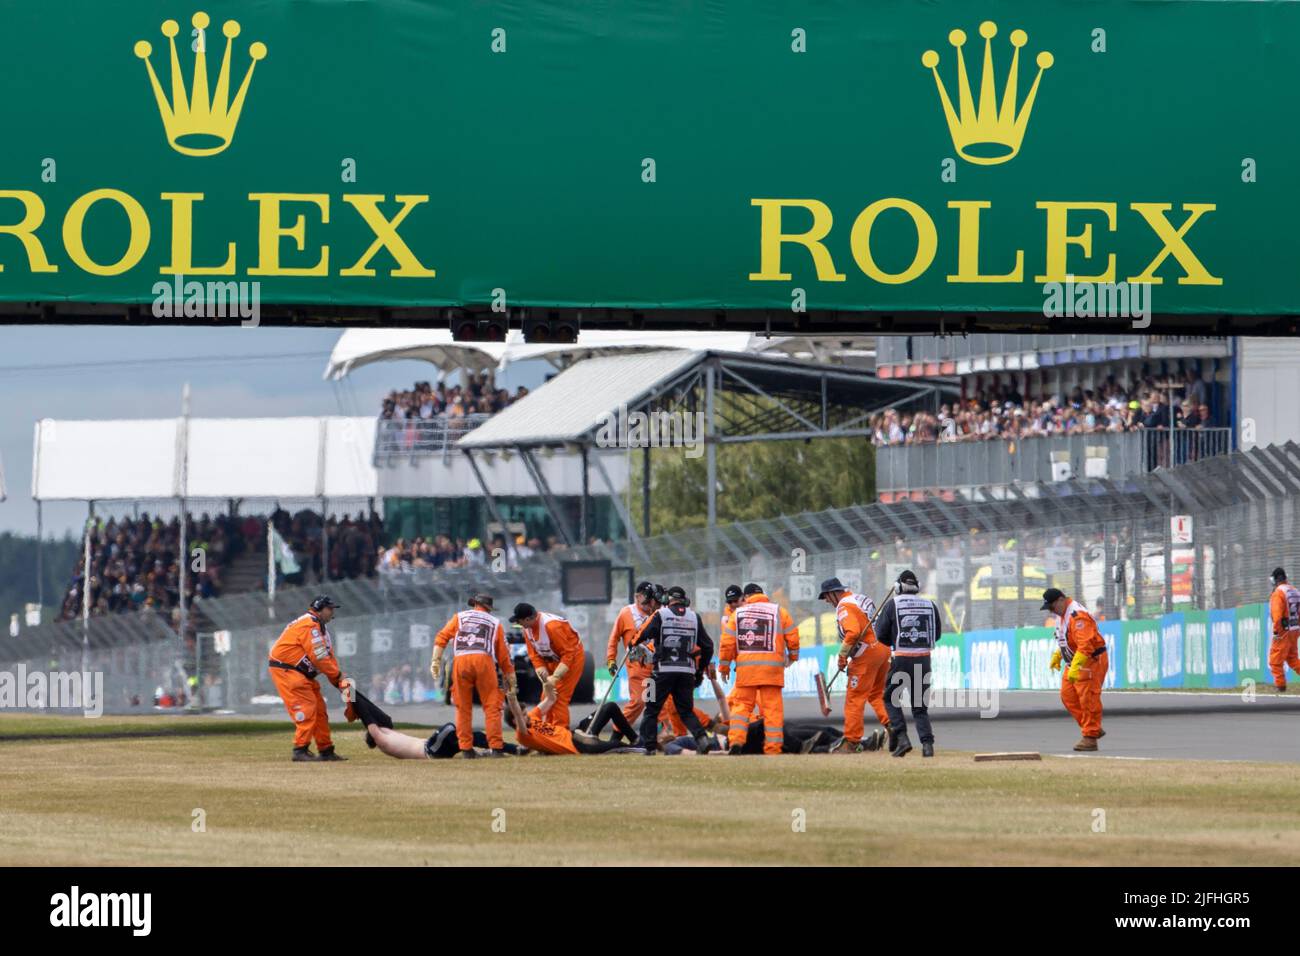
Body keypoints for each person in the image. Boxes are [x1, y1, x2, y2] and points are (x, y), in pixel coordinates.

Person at [267, 595, 354, 762]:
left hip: (300, 672)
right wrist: (336, 676)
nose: (332, 612)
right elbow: (319, 657)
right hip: (288, 670)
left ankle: (326, 749)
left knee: (320, 709)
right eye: (330, 609)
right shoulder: (310, 625)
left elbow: (328, 659)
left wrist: (339, 680)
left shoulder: (320, 629)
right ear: (320, 609)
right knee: (308, 706)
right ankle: (300, 749)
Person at [430, 593, 516, 758]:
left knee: (463, 707)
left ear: (474, 605)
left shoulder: (459, 617)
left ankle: (466, 749)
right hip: (484, 660)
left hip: (461, 660)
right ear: (489, 608)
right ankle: (496, 748)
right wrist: (510, 677)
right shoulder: (495, 622)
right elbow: (504, 654)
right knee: (492, 706)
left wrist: (435, 661)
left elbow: (442, 638)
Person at [632, 586, 715, 754]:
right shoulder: (694, 617)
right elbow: (708, 646)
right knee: (685, 711)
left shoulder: (660, 615)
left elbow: (642, 634)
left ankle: (649, 748)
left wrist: (633, 644)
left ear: (667, 600)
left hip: (662, 671)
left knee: (651, 708)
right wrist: (699, 671)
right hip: (686, 672)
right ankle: (702, 738)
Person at [719, 583, 799, 755]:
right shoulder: (779, 611)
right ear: (763, 594)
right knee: (772, 710)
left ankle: (736, 742)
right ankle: (773, 748)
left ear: (745, 597)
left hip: (746, 672)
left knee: (741, 708)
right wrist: (792, 657)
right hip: (772, 672)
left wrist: (724, 667)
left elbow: (727, 644)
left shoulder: (737, 615)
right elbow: (793, 636)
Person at [818, 576, 891, 755]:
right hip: (883, 649)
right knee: (876, 694)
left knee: (854, 698)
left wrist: (842, 656)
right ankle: (895, 728)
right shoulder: (860, 598)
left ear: (835, 593)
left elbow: (853, 632)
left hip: (867, 654)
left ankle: (851, 742)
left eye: (827, 596)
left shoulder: (844, 606)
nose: (826, 601)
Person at [875, 571, 941, 758]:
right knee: (920, 706)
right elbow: (936, 635)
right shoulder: (930, 604)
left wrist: (894, 642)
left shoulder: (892, 604)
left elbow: (880, 634)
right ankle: (927, 746)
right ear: (916, 587)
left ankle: (902, 738)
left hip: (901, 659)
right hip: (924, 659)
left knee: (890, 699)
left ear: (897, 587)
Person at [1042, 587, 1108, 751]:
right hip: (1074, 661)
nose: (1051, 611)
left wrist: (1076, 666)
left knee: (1088, 698)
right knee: (1068, 696)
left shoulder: (1077, 615)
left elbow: (1085, 646)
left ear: (1060, 601)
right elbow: (1067, 639)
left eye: (1051, 607)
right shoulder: (1061, 615)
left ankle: (1090, 737)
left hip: (1089, 661)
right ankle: (1093, 727)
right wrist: (1059, 654)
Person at [505, 682, 645, 755]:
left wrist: (546, 684)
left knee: (610, 707)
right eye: (522, 715)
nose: (526, 715)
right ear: (515, 721)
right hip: (578, 747)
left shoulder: (531, 716)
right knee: (616, 746)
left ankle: (635, 739)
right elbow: (517, 714)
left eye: (525, 712)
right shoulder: (522, 734)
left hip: (577, 733)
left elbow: (551, 699)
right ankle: (642, 748)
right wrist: (511, 698)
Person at [509, 603, 585, 728]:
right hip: (552, 660)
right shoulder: (526, 629)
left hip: (572, 659)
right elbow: (534, 655)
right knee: (547, 696)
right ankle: (550, 729)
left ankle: (561, 734)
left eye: (519, 620)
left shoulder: (552, 626)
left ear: (528, 619)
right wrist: (544, 678)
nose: (518, 623)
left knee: (558, 697)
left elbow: (568, 653)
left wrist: (555, 677)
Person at [605, 581, 661, 728]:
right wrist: (611, 660)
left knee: (655, 702)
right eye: (646, 601)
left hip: (655, 665)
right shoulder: (626, 613)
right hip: (637, 664)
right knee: (638, 701)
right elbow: (614, 637)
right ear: (637, 597)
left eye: (651, 601)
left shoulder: (657, 613)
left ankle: (656, 736)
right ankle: (617, 732)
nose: (649, 605)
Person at [1268, 568, 1300, 692]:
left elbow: (1277, 615)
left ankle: (1280, 686)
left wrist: (1276, 632)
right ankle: (1280, 685)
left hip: (1283, 630)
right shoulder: (1295, 590)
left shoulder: (1278, 593)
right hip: (1295, 629)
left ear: (1274, 580)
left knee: (1275, 660)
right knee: (1292, 659)